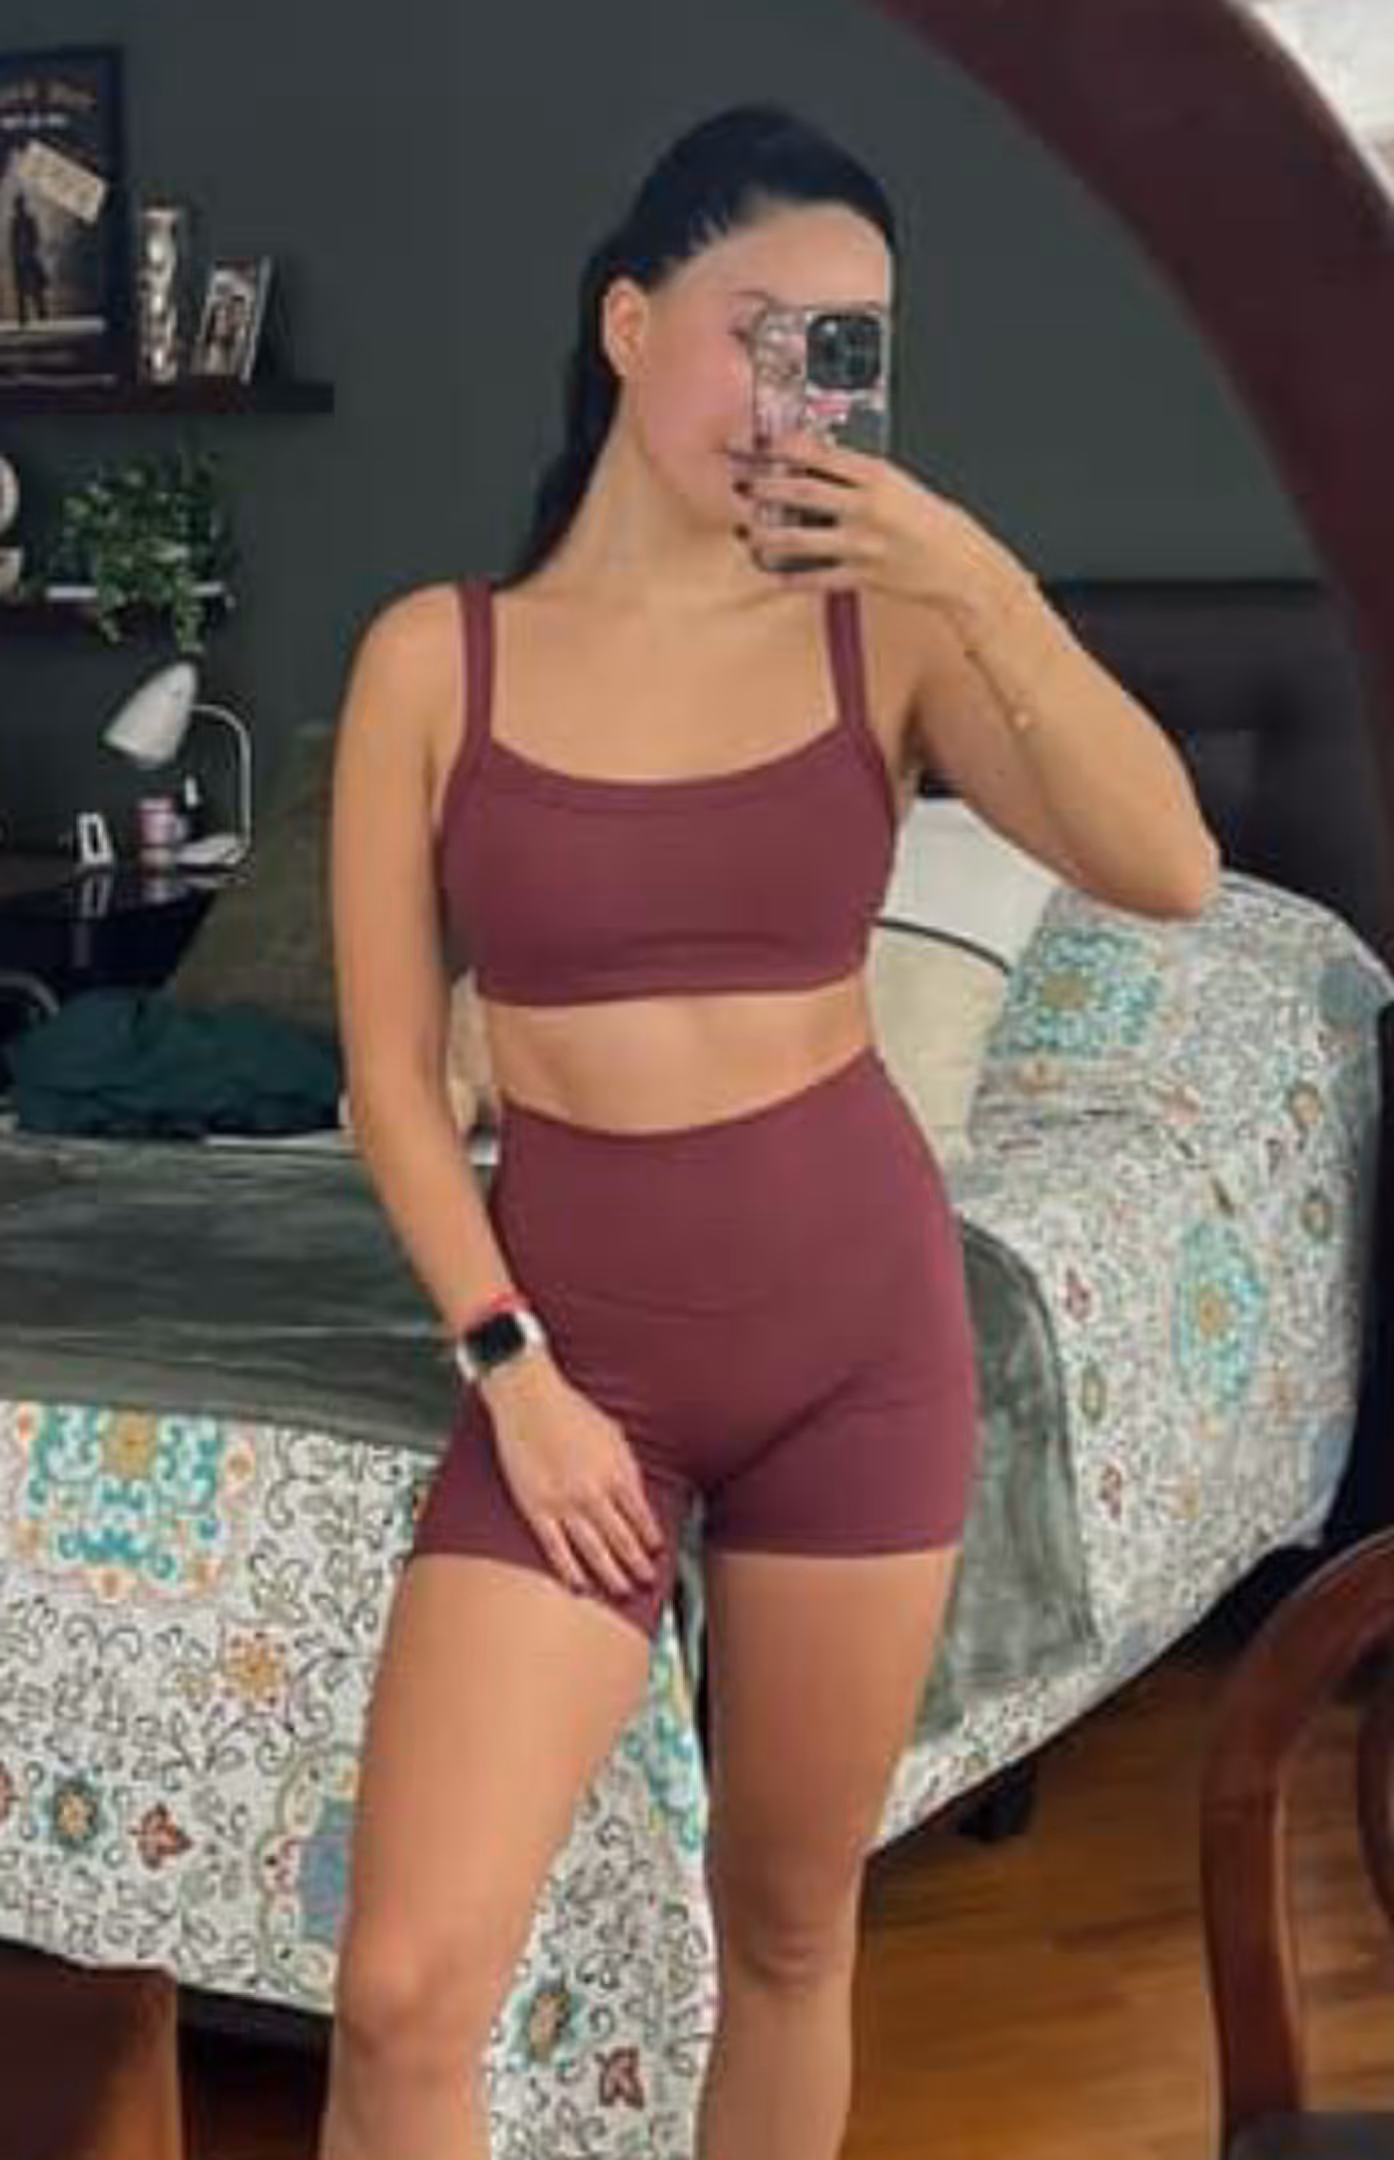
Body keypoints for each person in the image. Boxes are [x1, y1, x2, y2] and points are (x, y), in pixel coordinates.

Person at [321, 102, 1220, 2160]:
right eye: (756, 330)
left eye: (845, 349)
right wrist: (510, 1370)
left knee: (792, 1933)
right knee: (401, 1993)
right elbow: (386, 1082)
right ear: (627, 323)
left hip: (856, 1348)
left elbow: (1167, 865)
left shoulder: (881, 628)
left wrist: (970, 570)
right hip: (578, 1364)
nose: (792, 392)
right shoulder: (432, 662)